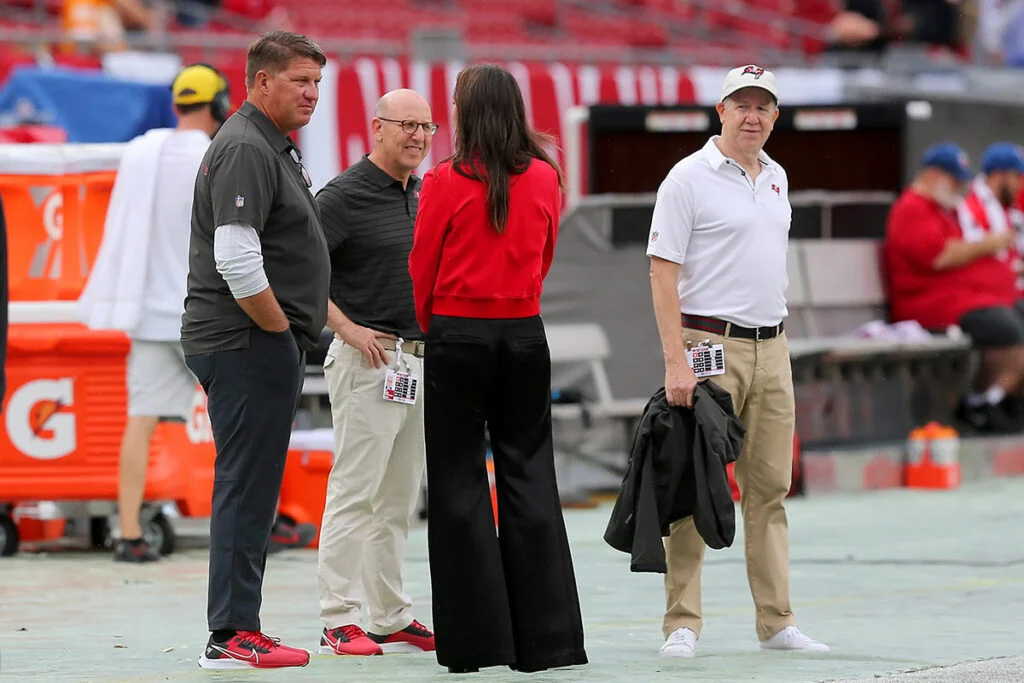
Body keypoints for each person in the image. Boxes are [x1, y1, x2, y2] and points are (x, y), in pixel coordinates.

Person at [408, 63, 588, 675]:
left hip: (458, 336)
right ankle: (549, 641)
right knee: (530, 475)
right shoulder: (545, 177)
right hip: (523, 335)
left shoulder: (443, 180)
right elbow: (545, 258)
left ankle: (476, 642)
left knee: (458, 482)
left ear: (464, 113)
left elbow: (422, 269)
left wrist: (440, 327)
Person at [647, 64, 829, 658]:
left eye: (763, 107)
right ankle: (683, 622)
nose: (752, 116)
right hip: (708, 344)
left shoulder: (776, 176)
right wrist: (676, 363)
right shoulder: (687, 178)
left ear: (776, 117)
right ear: (720, 111)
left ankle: (776, 622)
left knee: (771, 488)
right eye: (741, 105)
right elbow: (662, 273)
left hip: (773, 345)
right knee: (695, 484)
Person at [180, 30, 330, 670]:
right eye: (300, 81)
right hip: (246, 341)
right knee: (246, 487)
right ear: (261, 80)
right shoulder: (245, 145)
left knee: (253, 485)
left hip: (253, 341)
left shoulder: (265, 143)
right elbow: (236, 259)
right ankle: (232, 632)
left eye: (318, 83)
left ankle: (238, 626)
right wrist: (278, 331)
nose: (312, 94)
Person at [76, 63, 229, 563]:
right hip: (202, 311)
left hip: (149, 312)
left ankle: (129, 534)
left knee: (138, 422)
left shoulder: (141, 153)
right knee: (242, 421)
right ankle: (260, 524)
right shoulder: (217, 155)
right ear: (218, 105)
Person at [314, 89, 437, 657]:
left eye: (427, 127)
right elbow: (298, 273)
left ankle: (388, 615)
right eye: (406, 125)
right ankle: (338, 617)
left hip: (413, 361)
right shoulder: (342, 196)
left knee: (398, 499)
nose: (417, 136)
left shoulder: (422, 193)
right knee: (355, 492)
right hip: (369, 360)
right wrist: (347, 328)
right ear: (378, 127)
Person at [886, 143, 1024, 433]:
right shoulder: (913, 207)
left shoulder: (943, 209)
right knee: (1008, 330)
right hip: (927, 304)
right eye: (955, 178)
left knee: (1014, 317)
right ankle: (982, 403)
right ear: (934, 175)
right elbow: (940, 256)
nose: (961, 185)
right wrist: (990, 243)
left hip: (958, 298)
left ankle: (999, 400)